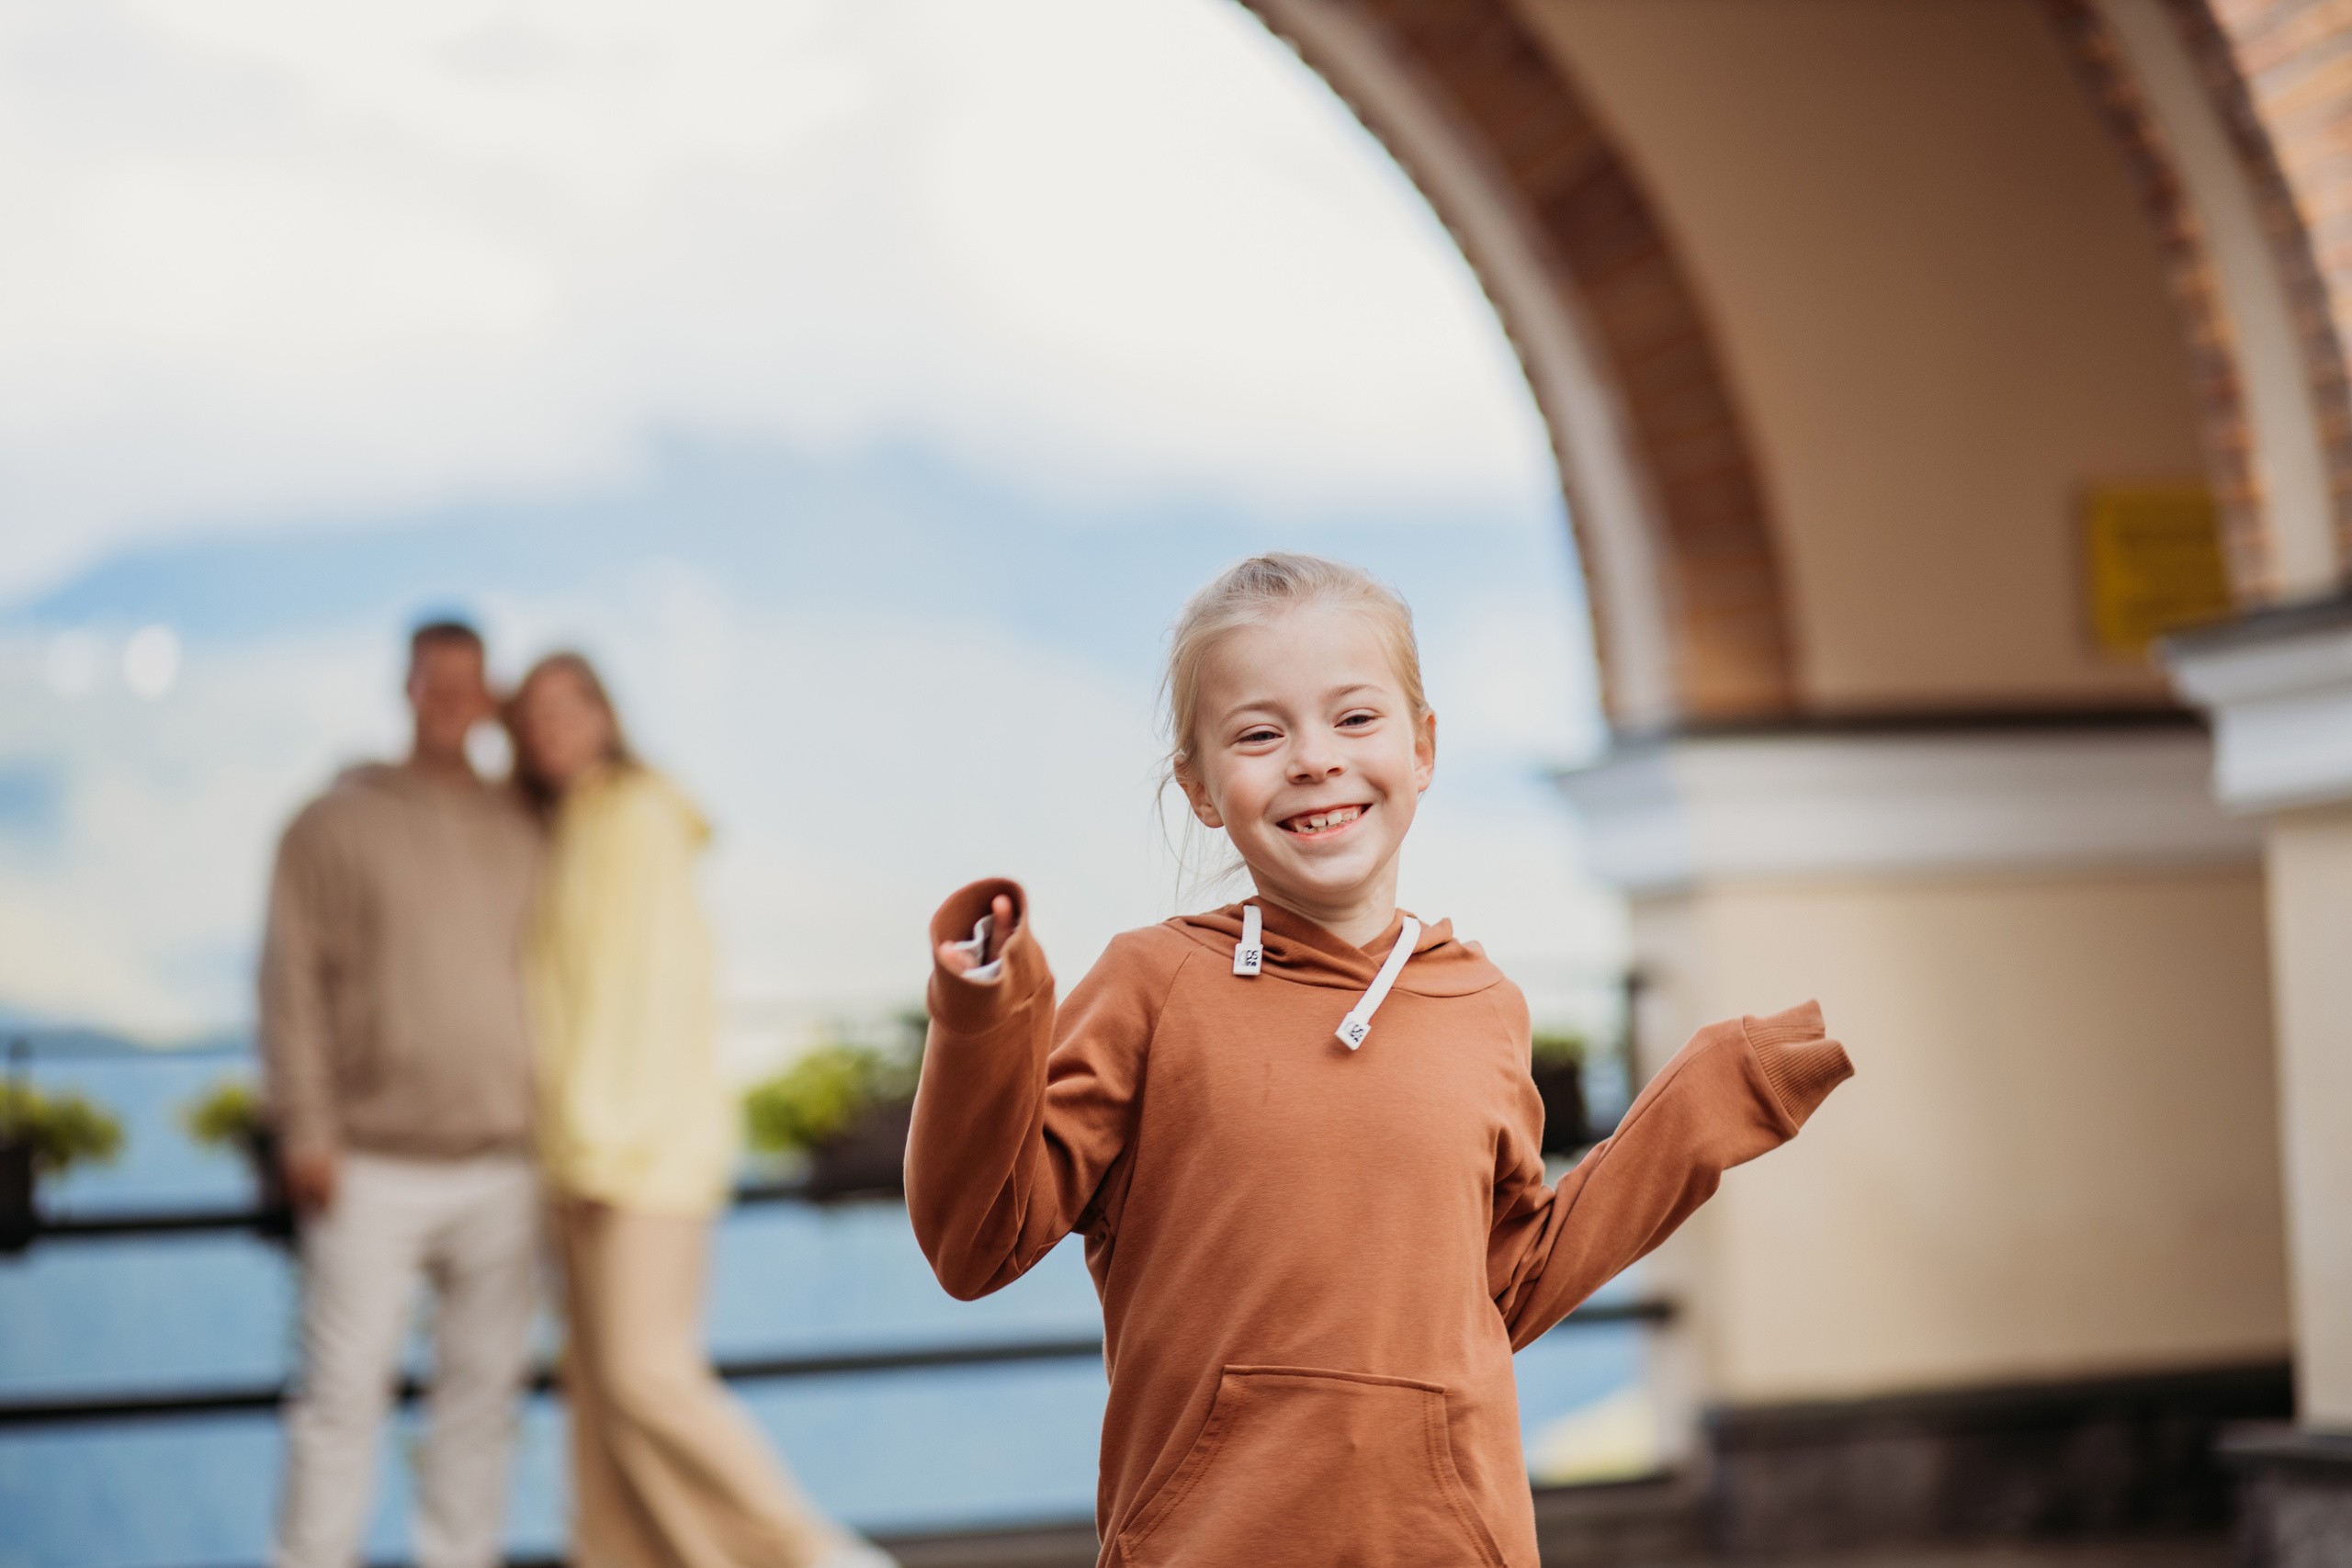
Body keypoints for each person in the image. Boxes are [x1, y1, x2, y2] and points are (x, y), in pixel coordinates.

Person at [909, 553, 1857, 1567]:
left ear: (1423, 747)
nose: (1314, 759)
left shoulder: (1485, 1009)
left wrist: (1706, 1105)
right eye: (1260, 734)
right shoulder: (1151, 986)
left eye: (1354, 719)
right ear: (1196, 787)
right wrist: (985, 1014)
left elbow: (1502, 1291)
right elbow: (979, 1242)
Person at [507, 652, 893, 1568]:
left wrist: (598, 1135)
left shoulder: (637, 819)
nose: (549, 728)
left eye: (567, 707)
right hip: (578, 1150)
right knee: (597, 1396)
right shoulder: (572, 823)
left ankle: (816, 1554)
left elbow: (641, 990)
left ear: (604, 714)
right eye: (531, 716)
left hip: (634, 1150)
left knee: (646, 1377)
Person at [260, 619, 543, 1568]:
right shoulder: (330, 823)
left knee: (479, 1410)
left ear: (491, 696)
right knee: (339, 1406)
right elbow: (288, 982)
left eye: (473, 683)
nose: (454, 698)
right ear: (408, 687)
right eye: (437, 680)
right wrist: (306, 1127)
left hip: (507, 1164)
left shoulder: (528, 822)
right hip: (367, 1166)